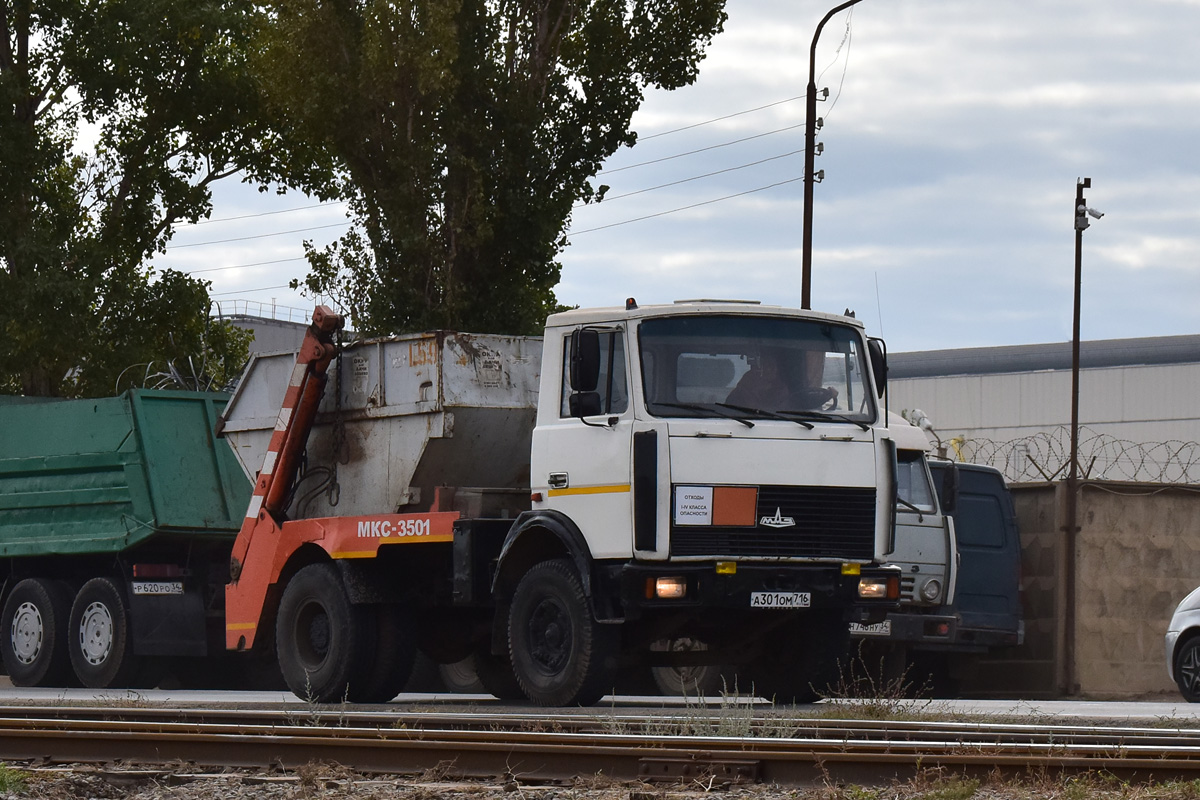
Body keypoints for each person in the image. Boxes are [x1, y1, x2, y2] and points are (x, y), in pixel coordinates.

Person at [726, 349, 838, 410]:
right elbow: (734, 407)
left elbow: (796, 405)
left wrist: (826, 395)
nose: (770, 370)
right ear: (759, 367)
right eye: (766, 365)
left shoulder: (783, 389)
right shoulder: (748, 383)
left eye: (774, 366)